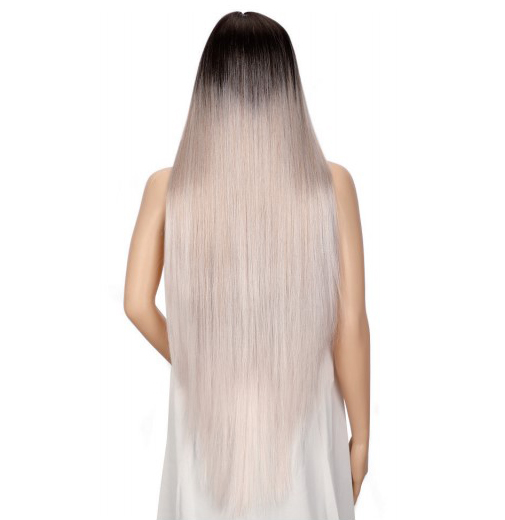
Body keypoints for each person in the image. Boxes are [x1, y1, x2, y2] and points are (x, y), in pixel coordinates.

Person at [124, 11, 370, 520]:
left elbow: (136, 305)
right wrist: (362, 435)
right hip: (303, 413)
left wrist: (199, 358)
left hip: (208, 418)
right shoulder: (329, 186)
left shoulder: (169, 188)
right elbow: (350, 323)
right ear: (287, 86)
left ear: (208, 89)